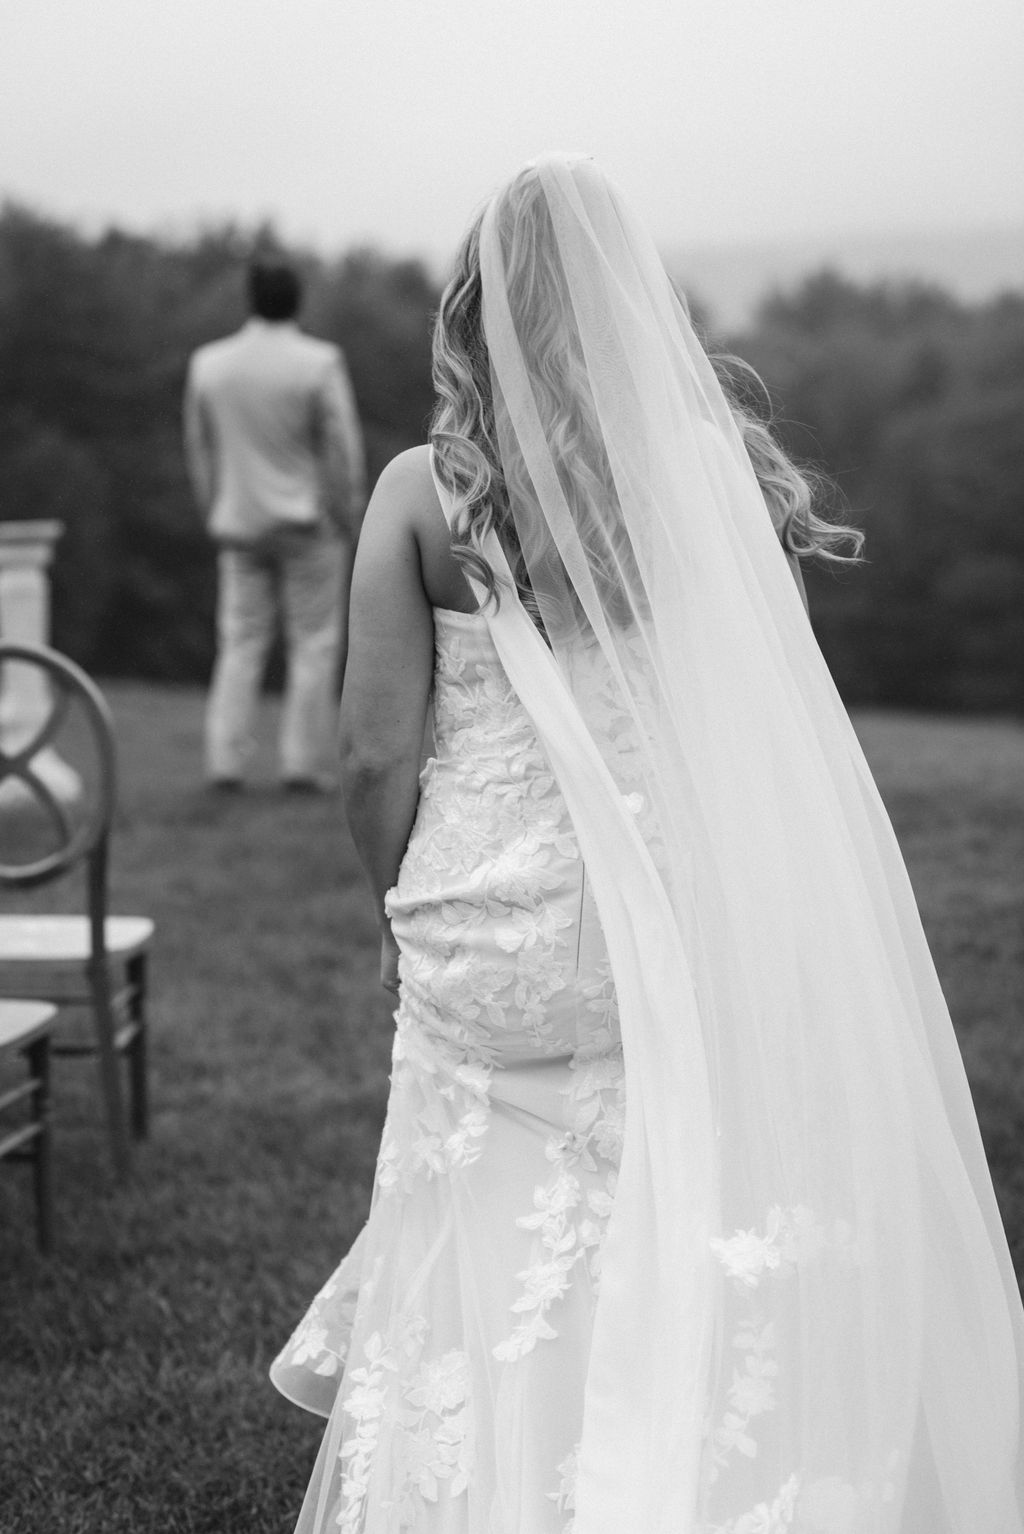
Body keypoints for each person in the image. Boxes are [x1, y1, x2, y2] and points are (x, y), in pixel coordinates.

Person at [271, 157, 1024, 1533]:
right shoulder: (712, 476)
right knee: (675, 1190)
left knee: (484, 1217)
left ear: (473, 302)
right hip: (673, 920)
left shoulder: (416, 493)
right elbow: (756, 722)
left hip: (477, 930)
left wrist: (400, 908)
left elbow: (372, 751)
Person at [184, 257, 365, 792]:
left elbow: (199, 447)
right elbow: (340, 446)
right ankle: (300, 765)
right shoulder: (318, 362)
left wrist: (211, 508)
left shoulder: (210, 364)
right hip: (306, 522)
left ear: (250, 299)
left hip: (237, 522)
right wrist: (349, 511)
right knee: (313, 643)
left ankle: (224, 761)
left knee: (240, 642)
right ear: (298, 300)